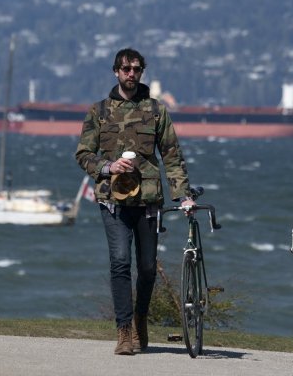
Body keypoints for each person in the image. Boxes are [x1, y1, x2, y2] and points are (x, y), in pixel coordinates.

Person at [75, 48, 194, 356]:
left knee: (147, 268)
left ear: (142, 72)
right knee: (120, 262)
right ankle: (124, 331)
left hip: (149, 201)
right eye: (126, 68)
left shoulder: (157, 110)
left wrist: (182, 193)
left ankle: (141, 317)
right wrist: (108, 167)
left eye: (136, 69)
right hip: (112, 201)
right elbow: (83, 154)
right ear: (116, 71)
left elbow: (171, 154)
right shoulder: (98, 111)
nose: (131, 74)